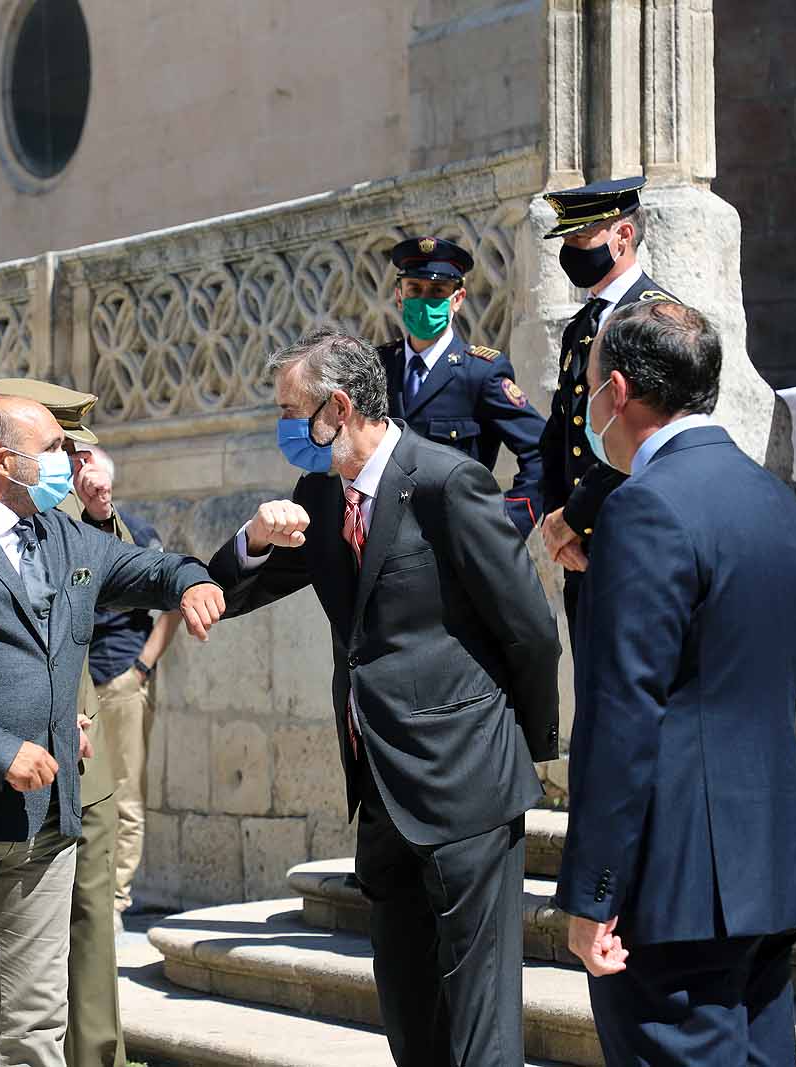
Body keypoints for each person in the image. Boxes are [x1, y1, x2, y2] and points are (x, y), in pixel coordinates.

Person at [207, 330, 560, 1066]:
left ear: (337, 407)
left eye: (289, 409)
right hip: (381, 791)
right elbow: (229, 591)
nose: (281, 425)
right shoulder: (319, 493)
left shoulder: (446, 483)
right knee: (407, 1003)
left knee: (479, 1017)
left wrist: (523, 750)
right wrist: (254, 538)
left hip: (468, 783)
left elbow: (530, 630)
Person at [0, 396, 224, 1067]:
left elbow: (151, 570)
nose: (70, 460)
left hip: (47, 826)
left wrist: (192, 580)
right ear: (4, 461)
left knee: (34, 1018)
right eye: (55, 447)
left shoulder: (65, 536)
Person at [555, 302, 796, 1065]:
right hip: (768, 863)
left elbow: (622, 717)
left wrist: (592, 892)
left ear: (617, 390)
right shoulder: (783, 500)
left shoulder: (644, 507)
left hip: (675, 886)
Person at [0, 378, 138, 1067]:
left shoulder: (75, 523)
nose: (73, 472)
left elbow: (115, 595)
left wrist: (100, 512)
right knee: (4, 939)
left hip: (82, 759)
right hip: (13, 760)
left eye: (76, 458)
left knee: (91, 929)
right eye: (63, 454)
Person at [536, 177, 680, 633]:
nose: (570, 252)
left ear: (623, 236)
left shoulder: (653, 319)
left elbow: (638, 437)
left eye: (582, 238)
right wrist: (555, 522)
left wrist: (573, 517)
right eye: (567, 240)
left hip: (633, 540)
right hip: (579, 550)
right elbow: (561, 432)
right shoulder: (582, 325)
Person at [71, 445, 182, 916]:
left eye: (86, 467)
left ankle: (114, 902)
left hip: (119, 678)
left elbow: (174, 599)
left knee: (124, 795)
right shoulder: (63, 534)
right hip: (74, 682)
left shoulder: (135, 533)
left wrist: (142, 667)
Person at [383, 235, 547, 538]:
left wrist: (507, 525)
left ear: (457, 299)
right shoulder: (377, 368)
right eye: (414, 290)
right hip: (387, 543)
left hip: (455, 543)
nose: (424, 301)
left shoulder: (480, 373)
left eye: (437, 292)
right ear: (399, 296)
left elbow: (542, 448)